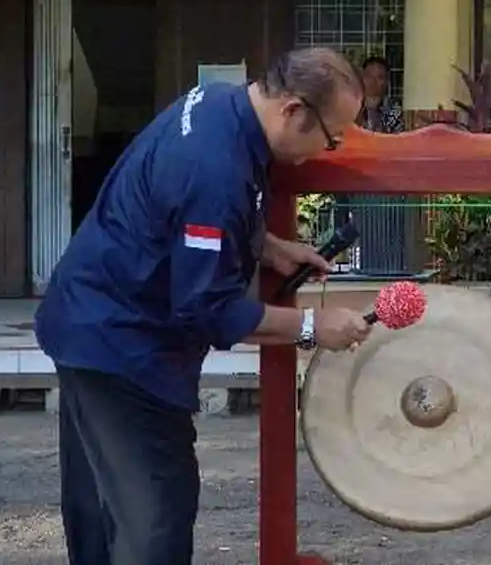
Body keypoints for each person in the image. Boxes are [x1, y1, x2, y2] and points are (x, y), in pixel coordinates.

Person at [34, 47, 375, 565]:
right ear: (292, 111)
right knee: (153, 524)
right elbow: (208, 311)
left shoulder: (216, 103)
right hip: (122, 345)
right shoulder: (214, 169)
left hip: (89, 318)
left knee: (103, 513)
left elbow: (182, 212)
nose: (326, 151)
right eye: (330, 137)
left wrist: (268, 246)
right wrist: (312, 326)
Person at [359, 55, 405, 133]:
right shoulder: (352, 108)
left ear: (386, 81)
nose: (373, 81)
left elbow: (399, 135)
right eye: (369, 76)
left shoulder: (394, 110)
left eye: (380, 77)